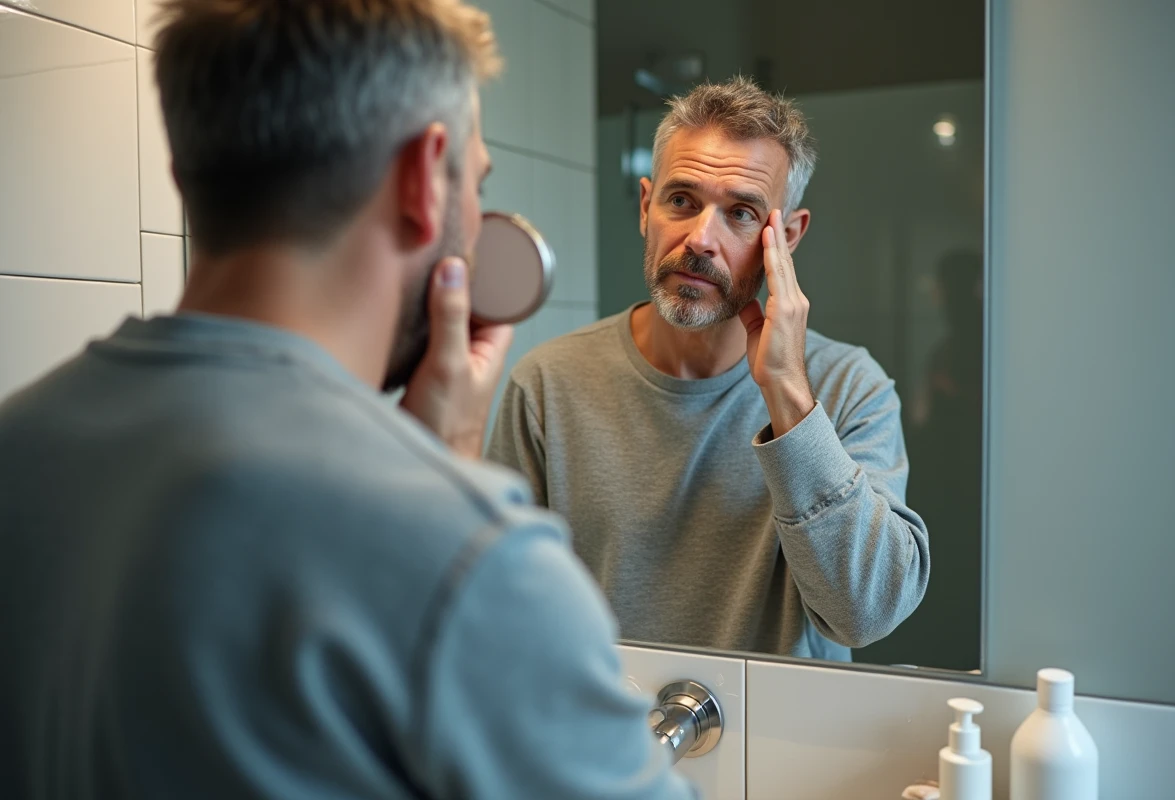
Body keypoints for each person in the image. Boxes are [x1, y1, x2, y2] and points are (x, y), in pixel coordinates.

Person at [0, 2, 693, 798]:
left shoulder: (19, 444)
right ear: (421, 179)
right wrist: (442, 493)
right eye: (477, 178)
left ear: (189, 169)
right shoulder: (476, 563)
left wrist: (425, 468)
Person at [489, 77, 932, 662]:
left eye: (742, 213)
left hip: (777, 745)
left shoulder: (851, 387)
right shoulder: (547, 383)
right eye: (681, 201)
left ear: (788, 236)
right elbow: (496, 609)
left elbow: (864, 613)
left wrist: (789, 396)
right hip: (603, 741)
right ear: (646, 206)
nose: (701, 239)